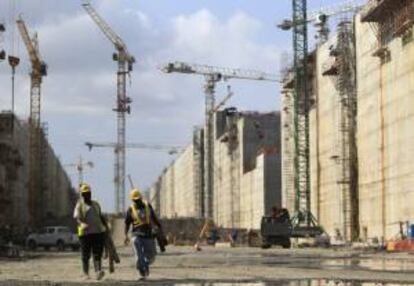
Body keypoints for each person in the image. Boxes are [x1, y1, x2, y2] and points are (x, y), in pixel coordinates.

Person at [124, 188, 163, 280]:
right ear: (132, 200)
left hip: (148, 235)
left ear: (141, 198)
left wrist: (160, 228)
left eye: (138, 199)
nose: (137, 201)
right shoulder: (130, 209)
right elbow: (127, 223)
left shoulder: (147, 206)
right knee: (138, 254)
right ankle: (141, 272)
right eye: (135, 200)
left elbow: (154, 217)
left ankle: (145, 265)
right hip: (136, 235)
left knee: (151, 257)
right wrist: (126, 235)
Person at [73, 183, 107, 280]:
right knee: (85, 254)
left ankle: (98, 272)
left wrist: (106, 227)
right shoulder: (79, 205)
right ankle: (85, 273)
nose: (87, 195)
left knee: (97, 253)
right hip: (85, 234)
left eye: (88, 193)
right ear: (82, 195)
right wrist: (81, 224)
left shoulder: (96, 204)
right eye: (85, 193)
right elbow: (77, 218)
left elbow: (100, 216)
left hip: (97, 232)